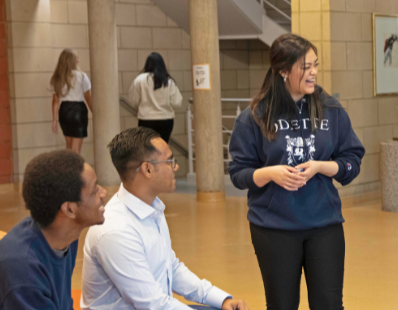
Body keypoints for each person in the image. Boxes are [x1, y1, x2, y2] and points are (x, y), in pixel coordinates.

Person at [228, 33, 364, 310]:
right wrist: (270, 173)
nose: (313, 72)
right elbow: (239, 173)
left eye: (315, 65)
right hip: (274, 228)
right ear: (282, 70)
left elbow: (352, 160)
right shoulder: (254, 116)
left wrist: (321, 167)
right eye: (305, 66)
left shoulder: (331, 110)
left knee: (329, 304)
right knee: (282, 304)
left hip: (324, 225)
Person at [81, 127, 249, 310]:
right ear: (147, 169)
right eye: (169, 161)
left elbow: (171, 268)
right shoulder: (115, 231)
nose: (175, 166)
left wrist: (221, 300)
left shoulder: (152, 206)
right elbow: (153, 304)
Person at [0, 150, 107, 310]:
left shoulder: (65, 236)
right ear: (69, 209)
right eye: (94, 191)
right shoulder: (23, 272)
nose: (103, 192)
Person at [129, 52, 183, 143]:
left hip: (146, 120)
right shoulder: (168, 81)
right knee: (162, 149)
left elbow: (133, 101)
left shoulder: (139, 80)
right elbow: (177, 103)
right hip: (166, 120)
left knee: (147, 150)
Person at [50, 49, 92, 154]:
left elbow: (55, 100)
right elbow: (88, 97)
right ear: (71, 61)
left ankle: (67, 170)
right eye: (76, 58)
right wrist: (94, 111)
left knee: (69, 148)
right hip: (78, 110)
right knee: (76, 150)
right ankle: (76, 170)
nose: (78, 60)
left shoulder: (57, 78)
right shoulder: (82, 76)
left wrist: (54, 120)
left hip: (64, 111)